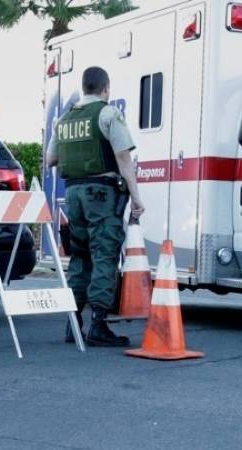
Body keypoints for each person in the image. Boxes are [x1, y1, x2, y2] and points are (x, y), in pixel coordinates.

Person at [46, 66, 144, 347]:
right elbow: (123, 159)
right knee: (104, 254)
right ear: (106, 88)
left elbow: (51, 159)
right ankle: (98, 325)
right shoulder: (108, 113)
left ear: (84, 86)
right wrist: (136, 198)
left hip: (73, 193)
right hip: (101, 194)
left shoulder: (64, 119)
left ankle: (73, 323)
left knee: (80, 255)